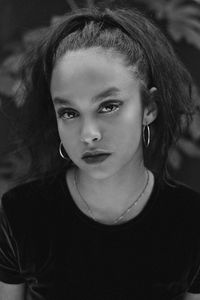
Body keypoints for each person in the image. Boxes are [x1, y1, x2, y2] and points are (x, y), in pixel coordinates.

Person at [0, 5, 200, 300]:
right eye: (69, 112)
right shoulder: (22, 214)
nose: (88, 133)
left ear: (149, 108)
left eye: (108, 106)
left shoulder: (190, 219)